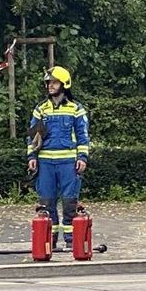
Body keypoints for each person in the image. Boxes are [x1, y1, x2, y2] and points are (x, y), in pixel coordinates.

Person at [26, 66, 90, 251]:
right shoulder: (41, 110)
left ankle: (72, 241)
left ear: (64, 84)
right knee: (47, 203)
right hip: (45, 163)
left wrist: (82, 158)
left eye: (54, 82)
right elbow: (33, 137)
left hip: (68, 163)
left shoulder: (76, 109)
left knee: (70, 203)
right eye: (48, 83)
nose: (50, 86)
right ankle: (49, 242)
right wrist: (32, 156)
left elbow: (82, 136)